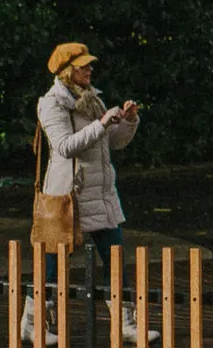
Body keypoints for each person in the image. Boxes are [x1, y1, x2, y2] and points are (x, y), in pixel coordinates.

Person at [36, 42, 141, 252]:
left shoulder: (93, 99)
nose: (89, 70)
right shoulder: (52, 103)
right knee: (53, 276)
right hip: (67, 198)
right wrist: (102, 123)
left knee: (116, 269)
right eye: (83, 66)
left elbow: (114, 142)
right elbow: (64, 147)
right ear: (67, 72)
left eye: (89, 65)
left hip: (101, 196)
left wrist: (129, 121)